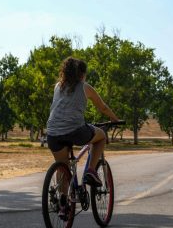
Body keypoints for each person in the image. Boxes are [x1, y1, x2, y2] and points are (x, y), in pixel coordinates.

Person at [46, 57, 120, 196]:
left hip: (52, 134)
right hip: (75, 131)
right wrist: (115, 119)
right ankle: (90, 171)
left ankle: (63, 205)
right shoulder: (85, 87)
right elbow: (103, 108)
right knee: (101, 137)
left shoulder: (58, 86)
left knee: (62, 168)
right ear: (82, 74)